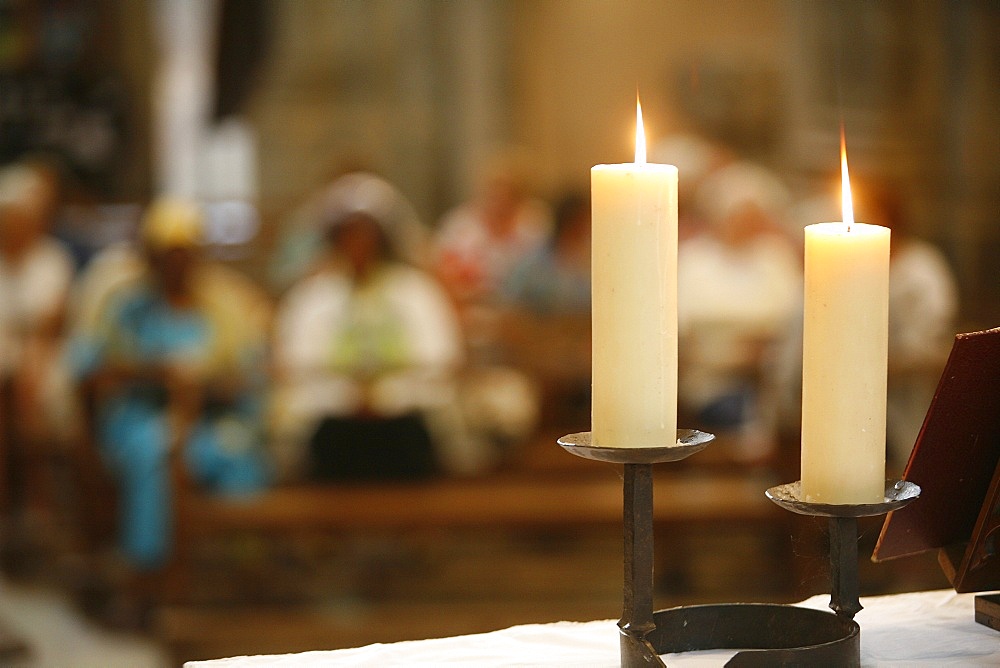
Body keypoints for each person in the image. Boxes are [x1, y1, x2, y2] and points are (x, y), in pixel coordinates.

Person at [71, 198, 271, 572]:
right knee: (159, 454)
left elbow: (250, 370)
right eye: (168, 255)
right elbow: (87, 367)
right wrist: (147, 372)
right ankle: (152, 572)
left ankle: (240, 565)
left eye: (185, 254)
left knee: (239, 454)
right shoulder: (126, 308)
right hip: (142, 418)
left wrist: (225, 386)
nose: (177, 264)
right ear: (151, 257)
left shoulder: (224, 307)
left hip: (210, 420)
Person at [272, 173, 489, 480]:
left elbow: (440, 358)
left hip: (403, 425)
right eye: (349, 234)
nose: (358, 244)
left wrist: (383, 395)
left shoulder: (414, 290)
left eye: (366, 234)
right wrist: (351, 396)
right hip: (334, 428)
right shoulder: (314, 296)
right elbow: (296, 365)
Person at [677, 161, 801, 458]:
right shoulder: (694, 261)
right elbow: (684, 328)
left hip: (776, 381)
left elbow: (797, 317)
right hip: (715, 382)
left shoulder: (774, 258)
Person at [0, 161, 75, 534]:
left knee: (30, 385)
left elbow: (50, 325)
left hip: (40, 355)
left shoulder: (52, 260)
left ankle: (37, 500)